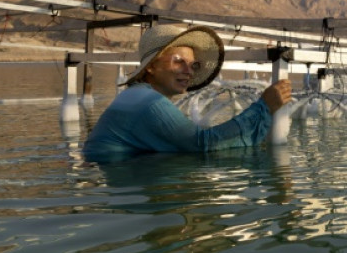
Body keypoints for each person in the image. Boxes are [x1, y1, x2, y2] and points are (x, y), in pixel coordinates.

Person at [83, 24, 292, 156]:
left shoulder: (136, 95)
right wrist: (264, 107)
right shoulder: (147, 102)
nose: (188, 71)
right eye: (178, 62)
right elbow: (203, 144)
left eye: (193, 65)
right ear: (151, 66)